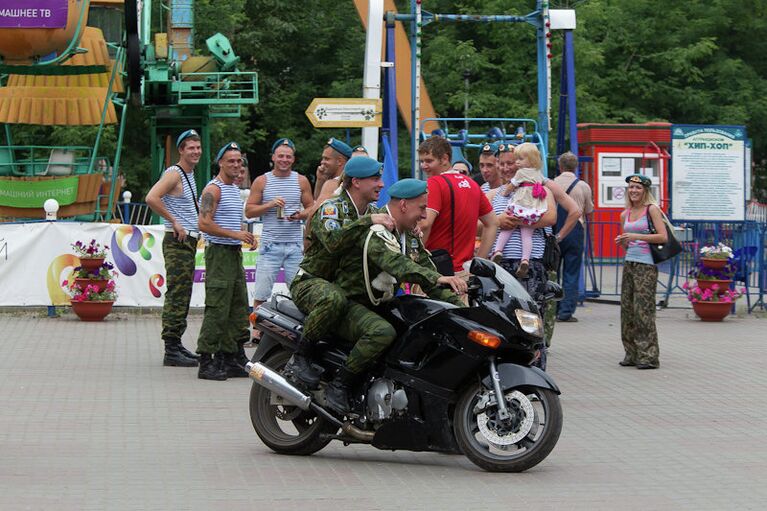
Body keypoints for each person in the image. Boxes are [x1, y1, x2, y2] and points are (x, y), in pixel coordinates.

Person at [326, 175, 467, 414]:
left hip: (378, 303)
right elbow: (396, 264)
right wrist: (436, 277)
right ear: (403, 205)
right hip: (351, 301)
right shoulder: (378, 229)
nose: (424, 215)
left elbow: (428, 275)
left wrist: (464, 313)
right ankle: (339, 385)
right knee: (382, 333)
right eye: (421, 208)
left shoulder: (409, 235)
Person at [283, 156, 394, 388]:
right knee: (333, 298)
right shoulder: (331, 208)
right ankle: (300, 356)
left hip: (344, 287)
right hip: (311, 282)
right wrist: (367, 222)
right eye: (375, 179)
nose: (381, 184)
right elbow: (333, 242)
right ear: (356, 182)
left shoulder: (372, 210)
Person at [489, 143, 557, 370]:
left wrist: (522, 220)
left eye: (513, 162)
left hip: (531, 264)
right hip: (499, 265)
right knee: (500, 321)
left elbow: (551, 217)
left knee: (532, 321)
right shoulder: (493, 195)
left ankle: (535, 376)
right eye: (505, 163)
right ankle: (503, 375)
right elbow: (480, 226)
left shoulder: (541, 188)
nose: (509, 168)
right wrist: (498, 222)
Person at [196, 142, 256, 380]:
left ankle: (232, 354)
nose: (236, 164)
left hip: (232, 252)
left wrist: (244, 235)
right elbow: (204, 223)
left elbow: (227, 222)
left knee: (238, 304)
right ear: (220, 162)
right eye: (231, 160)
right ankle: (207, 359)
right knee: (218, 306)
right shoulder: (214, 189)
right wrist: (236, 234)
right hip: (219, 253)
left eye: (239, 160)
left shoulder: (233, 188)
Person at [145, 129, 202, 368]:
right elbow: (151, 198)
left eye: (198, 147)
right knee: (178, 293)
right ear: (181, 150)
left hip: (187, 241)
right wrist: (174, 220)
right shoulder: (174, 173)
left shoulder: (189, 175)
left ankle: (177, 343)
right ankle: (171, 348)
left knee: (183, 293)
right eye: (191, 148)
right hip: (177, 240)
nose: (196, 152)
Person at [245, 138, 314, 317]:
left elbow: (312, 208)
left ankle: (298, 329)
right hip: (270, 246)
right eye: (281, 156)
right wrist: (269, 205)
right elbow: (249, 211)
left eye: (288, 157)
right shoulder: (262, 181)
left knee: (299, 293)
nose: (284, 160)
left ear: (293, 159)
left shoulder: (301, 180)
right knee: (261, 293)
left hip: (294, 246)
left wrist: (299, 215)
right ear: (273, 158)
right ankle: (257, 333)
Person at [418, 136, 498, 275]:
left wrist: (415, 260)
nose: (424, 166)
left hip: (438, 272)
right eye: (422, 161)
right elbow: (493, 223)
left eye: (429, 161)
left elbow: (425, 224)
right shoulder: (472, 184)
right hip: (465, 273)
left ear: (444, 159)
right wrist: (478, 261)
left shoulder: (435, 183)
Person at [614, 174, 666, 370]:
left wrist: (637, 236)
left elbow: (663, 237)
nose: (634, 191)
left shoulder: (651, 210)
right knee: (627, 309)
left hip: (646, 264)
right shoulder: (624, 214)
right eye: (631, 188)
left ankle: (649, 355)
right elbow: (627, 244)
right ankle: (631, 352)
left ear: (645, 191)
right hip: (630, 262)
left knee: (643, 310)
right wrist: (623, 242)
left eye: (638, 188)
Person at [490, 143, 548, 278]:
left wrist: (505, 193)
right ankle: (525, 259)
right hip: (533, 208)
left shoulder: (521, 173)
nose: (517, 163)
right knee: (527, 236)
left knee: (507, 229)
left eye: (518, 160)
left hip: (520, 205)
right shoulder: (538, 175)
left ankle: (498, 251)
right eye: (502, 163)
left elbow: (511, 186)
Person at [554, 151, 594, 322]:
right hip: (575, 231)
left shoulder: (551, 183)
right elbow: (588, 209)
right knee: (571, 272)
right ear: (576, 166)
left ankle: (552, 307)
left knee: (553, 272)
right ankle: (566, 311)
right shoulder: (583, 186)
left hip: (554, 229)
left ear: (560, 166)